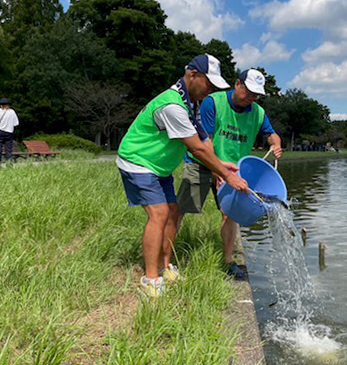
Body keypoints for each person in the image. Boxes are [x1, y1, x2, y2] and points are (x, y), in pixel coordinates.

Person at [117, 54, 249, 297]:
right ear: (193, 75)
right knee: (159, 214)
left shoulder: (192, 103)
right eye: (208, 84)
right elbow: (195, 149)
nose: (209, 91)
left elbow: (204, 140)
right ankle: (150, 278)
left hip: (159, 167)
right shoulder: (173, 106)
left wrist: (219, 164)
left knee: (172, 212)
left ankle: (165, 266)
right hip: (138, 161)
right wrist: (225, 176)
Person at [176, 68, 282, 279]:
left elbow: (271, 134)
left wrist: (276, 144)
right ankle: (167, 255)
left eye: (256, 95)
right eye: (248, 91)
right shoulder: (213, 103)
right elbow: (203, 140)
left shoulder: (258, 113)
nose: (251, 98)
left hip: (233, 170)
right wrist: (217, 169)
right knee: (182, 209)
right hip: (201, 163)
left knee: (230, 213)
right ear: (237, 84)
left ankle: (228, 261)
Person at [0, 98, 20, 168]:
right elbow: (16, 124)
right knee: (8, 150)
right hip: (9, 133)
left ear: (0, 105)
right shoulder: (12, 112)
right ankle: (9, 164)